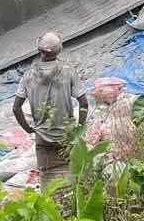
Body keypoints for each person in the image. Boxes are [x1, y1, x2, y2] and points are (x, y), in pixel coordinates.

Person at [13, 32, 88, 190]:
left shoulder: (29, 75)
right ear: (58, 51)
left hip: (42, 140)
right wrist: (79, 129)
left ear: (40, 50)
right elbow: (83, 103)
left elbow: (16, 108)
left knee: (48, 184)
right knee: (73, 182)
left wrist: (29, 129)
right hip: (67, 136)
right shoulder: (68, 71)